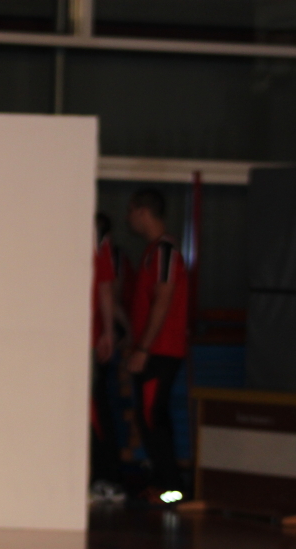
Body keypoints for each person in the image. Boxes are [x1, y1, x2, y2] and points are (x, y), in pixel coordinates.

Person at [126, 188, 189, 503]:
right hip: (154, 348)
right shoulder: (154, 251)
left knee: (153, 415)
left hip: (161, 350)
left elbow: (163, 299)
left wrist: (144, 348)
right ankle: (163, 483)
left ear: (142, 212)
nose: (128, 219)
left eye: (131, 211)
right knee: (149, 415)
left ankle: (171, 487)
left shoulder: (164, 251)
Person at [89, 213, 123, 504]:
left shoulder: (99, 242)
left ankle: (105, 478)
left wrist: (109, 332)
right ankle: (101, 477)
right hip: (82, 339)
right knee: (95, 407)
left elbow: (106, 288)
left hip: (88, 341)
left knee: (94, 410)